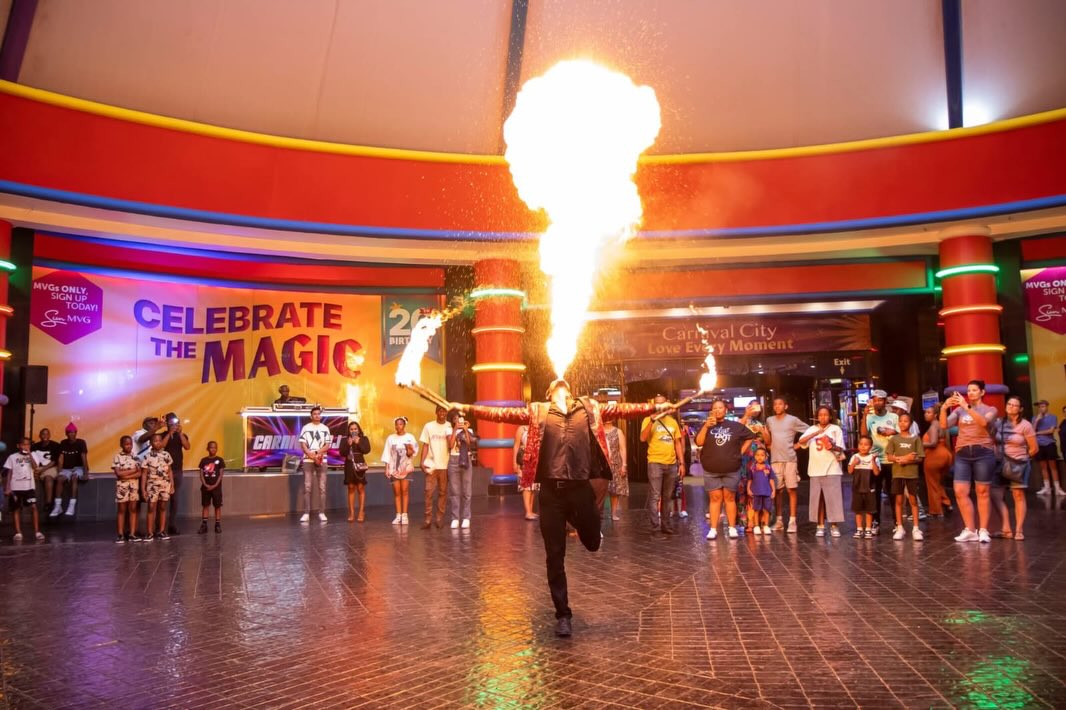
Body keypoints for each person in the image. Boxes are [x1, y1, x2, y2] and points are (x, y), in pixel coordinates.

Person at [452, 379, 671, 637]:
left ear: (570, 392)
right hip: (551, 495)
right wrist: (466, 407)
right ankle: (563, 615)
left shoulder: (588, 407)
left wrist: (656, 408)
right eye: (555, 385)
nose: (560, 383)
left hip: (580, 491)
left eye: (563, 384)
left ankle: (578, 522)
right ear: (549, 394)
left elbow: (624, 409)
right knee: (554, 557)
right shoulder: (538, 411)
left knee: (593, 543)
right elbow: (501, 414)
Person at [940, 380, 998, 544]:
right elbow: (944, 425)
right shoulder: (959, 410)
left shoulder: (990, 409)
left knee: (982, 492)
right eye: (969, 390)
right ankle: (970, 530)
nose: (971, 393)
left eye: (974, 390)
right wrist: (944, 408)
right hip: (963, 453)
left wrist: (966, 406)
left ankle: (983, 530)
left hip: (983, 451)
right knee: (960, 491)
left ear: (982, 392)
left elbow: (984, 422)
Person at [696, 399, 759, 540]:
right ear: (711, 411)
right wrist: (706, 426)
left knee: (729, 498)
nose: (717, 410)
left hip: (731, 468)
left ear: (726, 410)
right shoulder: (706, 426)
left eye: (720, 407)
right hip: (711, 469)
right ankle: (713, 529)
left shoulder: (735, 426)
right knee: (715, 499)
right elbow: (699, 442)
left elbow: (751, 436)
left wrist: (740, 452)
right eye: (715, 408)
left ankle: (732, 528)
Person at [991, 396, 1038, 540]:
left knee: (1018, 496)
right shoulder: (999, 422)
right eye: (1009, 404)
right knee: (995, 495)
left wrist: (1022, 460)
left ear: (1020, 409)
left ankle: (1019, 530)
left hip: (1018, 464)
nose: (1010, 406)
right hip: (999, 463)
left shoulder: (1025, 425)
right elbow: (993, 440)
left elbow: (1034, 448)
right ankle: (1006, 529)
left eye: (1014, 405)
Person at [640, 394, 685, 535]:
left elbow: (677, 443)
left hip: (671, 464)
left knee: (667, 496)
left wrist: (681, 463)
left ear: (667, 404)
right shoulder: (647, 419)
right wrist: (651, 421)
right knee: (655, 496)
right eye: (657, 403)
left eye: (662, 403)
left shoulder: (672, 422)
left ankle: (666, 525)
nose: (660, 406)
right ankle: (655, 526)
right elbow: (643, 438)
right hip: (655, 462)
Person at [798, 406, 846, 538]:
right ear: (816, 417)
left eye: (825, 415)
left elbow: (841, 448)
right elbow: (801, 441)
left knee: (833, 499)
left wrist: (831, 444)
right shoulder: (812, 429)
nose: (823, 417)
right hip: (815, 469)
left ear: (830, 416)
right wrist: (815, 433)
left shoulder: (835, 429)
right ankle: (820, 525)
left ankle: (834, 525)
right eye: (820, 415)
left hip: (832, 468)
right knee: (818, 499)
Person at [766, 397, 809, 533]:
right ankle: (779, 521)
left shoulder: (792, 420)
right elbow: (767, 438)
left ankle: (792, 521)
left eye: (780, 404)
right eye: (775, 404)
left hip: (790, 459)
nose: (777, 406)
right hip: (775, 460)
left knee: (791, 490)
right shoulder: (769, 420)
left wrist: (799, 444)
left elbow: (809, 430)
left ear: (786, 406)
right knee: (777, 491)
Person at [860, 390, 899, 534]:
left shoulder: (893, 416)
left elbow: (901, 432)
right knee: (874, 492)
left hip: (891, 459)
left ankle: (897, 522)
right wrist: (864, 416)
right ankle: (875, 522)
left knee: (893, 492)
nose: (877, 403)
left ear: (885, 401)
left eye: (880, 400)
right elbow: (864, 434)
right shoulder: (869, 417)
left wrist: (891, 431)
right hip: (875, 459)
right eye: (875, 400)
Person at [886, 413, 925, 541]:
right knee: (898, 501)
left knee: (913, 500)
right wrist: (902, 458)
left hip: (911, 474)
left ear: (911, 423)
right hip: (898, 473)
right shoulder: (894, 439)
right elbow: (889, 457)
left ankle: (916, 528)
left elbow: (920, 457)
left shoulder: (915, 439)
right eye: (901, 421)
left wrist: (908, 460)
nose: (903, 423)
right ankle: (900, 527)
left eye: (906, 421)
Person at [419, 405, 452, 529]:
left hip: (445, 464)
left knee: (443, 492)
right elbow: (425, 445)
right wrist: (422, 461)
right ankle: (428, 519)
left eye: (444, 411)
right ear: (436, 412)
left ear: (446, 413)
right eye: (440, 411)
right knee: (428, 492)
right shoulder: (429, 426)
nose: (442, 413)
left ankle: (439, 518)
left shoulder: (449, 426)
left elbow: (452, 444)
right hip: (431, 464)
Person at [4, 437, 43, 541]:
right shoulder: (12, 457)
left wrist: (29, 454)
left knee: (33, 507)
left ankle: (37, 532)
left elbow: (35, 467)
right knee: (16, 509)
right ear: (18, 446)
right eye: (24, 444)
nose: (26, 446)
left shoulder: (33, 455)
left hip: (29, 487)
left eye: (28, 444)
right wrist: (7, 487)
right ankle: (18, 532)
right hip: (15, 487)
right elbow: (9, 473)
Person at [298, 406, 332, 523]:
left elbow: (327, 445)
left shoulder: (325, 428)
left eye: (318, 414)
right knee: (307, 487)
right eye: (315, 414)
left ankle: (322, 512)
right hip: (308, 460)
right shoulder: (306, 428)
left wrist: (317, 453)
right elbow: (303, 444)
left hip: (322, 459)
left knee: (322, 487)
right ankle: (306, 513)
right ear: (311, 416)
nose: (317, 415)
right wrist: (309, 453)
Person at [447, 410, 478, 529]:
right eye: (455, 418)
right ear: (452, 420)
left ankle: (466, 517)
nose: (458, 420)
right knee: (454, 491)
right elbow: (450, 445)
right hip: (454, 460)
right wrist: (455, 430)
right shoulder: (449, 430)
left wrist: (465, 430)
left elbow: (470, 444)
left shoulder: (469, 430)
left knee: (467, 491)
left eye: (459, 418)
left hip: (466, 459)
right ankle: (455, 518)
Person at [161, 412, 190, 534]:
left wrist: (180, 433)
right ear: (167, 423)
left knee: (175, 499)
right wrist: (169, 433)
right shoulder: (162, 435)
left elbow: (187, 446)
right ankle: (160, 527)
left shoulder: (181, 435)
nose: (174, 425)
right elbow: (161, 446)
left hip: (177, 470)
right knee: (162, 499)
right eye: (172, 423)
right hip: (163, 471)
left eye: (176, 422)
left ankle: (172, 525)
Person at [384, 416, 417, 524]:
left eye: (401, 424)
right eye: (397, 424)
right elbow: (387, 453)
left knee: (405, 491)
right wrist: (387, 468)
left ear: (404, 425)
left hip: (406, 468)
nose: (398, 426)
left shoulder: (410, 437)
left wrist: (409, 449)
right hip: (394, 468)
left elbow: (413, 452)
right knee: (397, 492)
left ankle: (405, 515)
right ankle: (398, 516)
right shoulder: (390, 438)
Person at [922, 404, 953, 517]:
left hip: (935, 456)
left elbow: (933, 443)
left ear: (935, 415)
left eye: (929, 412)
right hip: (945, 454)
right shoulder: (940, 425)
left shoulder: (933, 426)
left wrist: (918, 443)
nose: (926, 414)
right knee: (939, 482)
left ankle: (936, 511)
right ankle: (946, 503)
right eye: (925, 412)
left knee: (932, 483)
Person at [141, 434, 174, 540]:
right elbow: (144, 474)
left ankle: (161, 531)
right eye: (155, 441)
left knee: (163, 507)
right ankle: (149, 532)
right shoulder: (147, 456)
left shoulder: (166, 455)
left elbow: (170, 471)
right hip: (152, 485)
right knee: (151, 507)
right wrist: (143, 489)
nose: (158, 442)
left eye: (160, 440)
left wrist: (172, 485)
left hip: (165, 484)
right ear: (151, 443)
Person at [338, 421, 371, 522]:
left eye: (355, 429)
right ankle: (351, 513)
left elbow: (367, 450)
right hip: (349, 465)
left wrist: (358, 442)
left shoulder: (364, 439)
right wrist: (349, 445)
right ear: (349, 430)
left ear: (358, 429)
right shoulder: (344, 439)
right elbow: (342, 453)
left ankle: (361, 512)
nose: (353, 431)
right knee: (351, 487)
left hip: (360, 464)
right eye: (351, 429)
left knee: (360, 487)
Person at [112, 435, 142, 542]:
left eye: (130, 444)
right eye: (126, 444)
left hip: (133, 487)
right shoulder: (117, 457)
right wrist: (133, 471)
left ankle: (132, 534)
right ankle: (120, 534)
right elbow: (118, 473)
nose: (129, 446)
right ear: (121, 445)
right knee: (122, 510)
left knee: (133, 509)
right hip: (122, 488)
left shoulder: (136, 457)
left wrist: (126, 475)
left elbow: (139, 473)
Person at [848, 435, 880, 538]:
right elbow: (850, 471)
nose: (863, 446)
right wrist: (854, 463)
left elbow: (876, 473)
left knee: (869, 510)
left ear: (871, 446)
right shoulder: (854, 457)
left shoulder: (873, 458)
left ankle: (868, 529)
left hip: (869, 488)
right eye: (861, 444)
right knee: (858, 510)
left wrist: (873, 460)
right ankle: (859, 529)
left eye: (866, 444)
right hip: (857, 487)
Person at [56, 422, 88, 518]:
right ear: (66, 434)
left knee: (74, 478)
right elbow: (60, 458)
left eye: (73, 432)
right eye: (69, 432)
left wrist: (86, 473)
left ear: (76, 433)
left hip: (78, 468)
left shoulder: (81, 442)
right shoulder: (63, 443)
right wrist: (59, 472)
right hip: (66, 469)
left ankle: (72, 504)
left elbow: (83, 457)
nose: (71, 434)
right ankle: (57, 505)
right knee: (59, 479)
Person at [1033, 400, 1063, 496]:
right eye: (1039, 407)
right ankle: (1047, 488)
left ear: (1047, 407)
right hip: (1039, 444)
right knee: (1043, 467)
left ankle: (1057, 488)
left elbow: (1051, 431)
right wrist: (1037, 420)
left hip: (1049, 443)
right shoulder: (1035, 418)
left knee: (1053, 466)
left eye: (1043, 406)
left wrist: (1037, 433)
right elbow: (1032, 431)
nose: (1041, 408)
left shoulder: (1053, 417)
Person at [31, 428, 62, 518]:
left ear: (49, 435)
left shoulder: (55, 445)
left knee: (48, 477)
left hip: (50, 467)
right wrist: (37, 470)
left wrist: (42, 469)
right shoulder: (35, 446)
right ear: (40, 436)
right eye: (43, 434)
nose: (45, 436)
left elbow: (54, 461)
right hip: (38, 467)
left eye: (47, 434)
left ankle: (48, 503)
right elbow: (33, 460)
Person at [197, 441, 225, 534]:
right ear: (207, 448)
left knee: (217, 506)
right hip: (206, 488)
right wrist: (205, 484)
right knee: (205, 505)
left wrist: (214, 485)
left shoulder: (220, 460)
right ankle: (204, 525)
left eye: (215, 447)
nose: (213, 449)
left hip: (216, 488)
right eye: (211, 447)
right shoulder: (203, 460)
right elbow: (201, 474)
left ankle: (217, 525)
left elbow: (220, 475)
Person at [747, 445, 775, 535]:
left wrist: (773, 490)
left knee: (766, 509)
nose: (760, 457)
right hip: (756, 492)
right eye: (758, 455)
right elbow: (750, 480)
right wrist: (748, 489)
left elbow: (771, 480)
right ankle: (756, 526)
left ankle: (766, 526)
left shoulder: (768, 468)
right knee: (756, 509)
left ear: (766, 457)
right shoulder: (752, 468)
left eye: (762, 455)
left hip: (767, 492)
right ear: (755, 456)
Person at [604, 418, 628, 521]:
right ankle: (599, 513)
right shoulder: (598, 431)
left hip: (615, 463)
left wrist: (624, 465)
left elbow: (622, 449)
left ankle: (613, 513)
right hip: (602, 464)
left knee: (615, 490)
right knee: (601, 489)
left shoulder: (618, 432)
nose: (608, 419)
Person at [513, 424, 539, 520]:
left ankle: (531, 511)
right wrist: (515, 463)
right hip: (525, 460)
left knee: (533, 487)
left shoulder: (538, 427)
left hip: (536, 460)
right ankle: (528, 512)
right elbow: (516, 446)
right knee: (527, 486)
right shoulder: (522, 429)